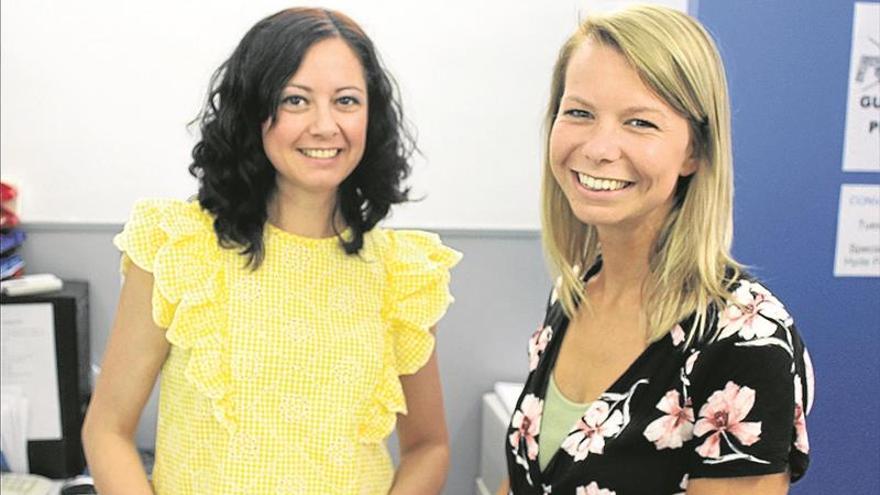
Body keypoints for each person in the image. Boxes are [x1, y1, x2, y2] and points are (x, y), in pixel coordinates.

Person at [81, 8, 460, 494]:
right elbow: (107, 429)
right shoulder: (178, 247)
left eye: (346, 100)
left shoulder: (401, 274)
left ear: (372, 115)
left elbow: (429, 446)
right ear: (253, 110)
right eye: (295, 100)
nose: (325, 126)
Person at [498, 5, 813, 494]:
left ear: (694, 150)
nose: (600, 148)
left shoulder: (746, 339)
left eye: (640, 123)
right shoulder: (575, 292)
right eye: (579, 112)